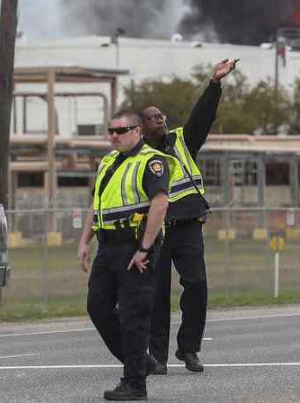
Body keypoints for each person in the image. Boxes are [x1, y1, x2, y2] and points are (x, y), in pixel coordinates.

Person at [78, 111, 183, 401]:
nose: (114, 135)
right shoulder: (109, 162)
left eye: (121, 130)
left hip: (136, 247)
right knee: (97, 307)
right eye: (111, 130)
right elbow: (96, 205)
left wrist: (145, 249)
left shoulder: (152, 161)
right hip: (108, 247)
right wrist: (84, 242)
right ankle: (142, 362)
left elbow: (160, 205)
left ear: (137, 131)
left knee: (133, 317)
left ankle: (135, 383)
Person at [141, 58, 237, 375]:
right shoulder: (137, 157)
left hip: (188, 226)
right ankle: (156, 355)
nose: (161, 120)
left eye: (162, 116)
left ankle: (189, 348)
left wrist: (214, 83)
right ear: (142, 127)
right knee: (157, 294)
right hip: (155, 231)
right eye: (154, 118)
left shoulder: (182, 140)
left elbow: (203, 116)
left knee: (196, 285)